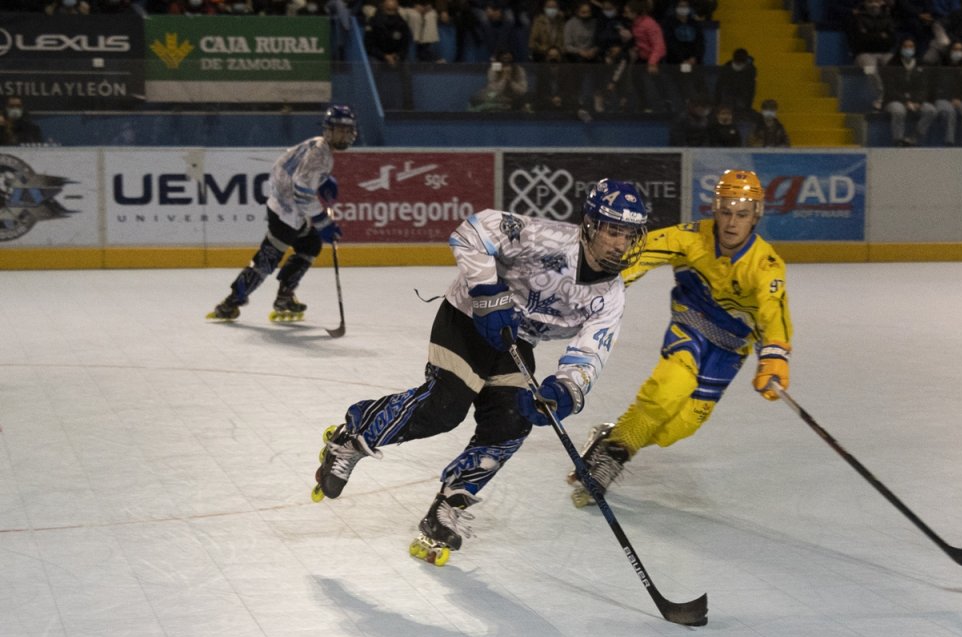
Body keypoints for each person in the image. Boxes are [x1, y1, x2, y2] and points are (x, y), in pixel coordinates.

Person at [311, 180, 650, 566]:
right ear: (590, 224)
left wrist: (563, 390)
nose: (620, 244)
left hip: (515, 341)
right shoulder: (549, 239)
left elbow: (591, 353)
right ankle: (352, 436)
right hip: (468, 317)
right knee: (445, 407)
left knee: (512, 421)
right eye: (612, 230)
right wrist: (488, 291)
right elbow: (475, 229)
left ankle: (447, 506)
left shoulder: (612, 295)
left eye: (628, 234)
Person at [565, 169, 793, 507]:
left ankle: (612, 436)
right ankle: (609, 460)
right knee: (668, 391)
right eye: (726, 212)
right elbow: (637, 256)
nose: (732, 223)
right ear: (715, 210)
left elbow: (773, 311)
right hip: (691, 327)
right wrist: (597, 289)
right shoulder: (690, 238)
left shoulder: (766, 265)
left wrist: (774, 355)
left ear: (755, 215)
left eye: (742, 215)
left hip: (730, 351)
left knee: (679, 428)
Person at [206, 105, 355, 322]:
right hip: (286, 215)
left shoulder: (316, 145)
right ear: (328, 130)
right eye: (340, 130)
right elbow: (303, 190)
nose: (345, 135)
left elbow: (283, 167)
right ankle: (231, 302)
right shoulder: (320, 156)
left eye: (347, 130)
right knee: (267, 261)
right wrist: (323, 221)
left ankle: (284, 296)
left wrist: (321, 181)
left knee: (310, 244)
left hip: (287, 209)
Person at [881, 37, 937, 146]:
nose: (908, 49)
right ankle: (898, 140)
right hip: (894, 100)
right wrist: (905, 101)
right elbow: (890, 88)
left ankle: (914, 137)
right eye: (905, 46)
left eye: (911, 46)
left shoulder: (920, 64)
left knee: (931, 110)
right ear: (900, 48)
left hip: (915, 101)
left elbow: (923, 87)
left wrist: (917, 102)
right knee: (899, 111)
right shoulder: (892, 64)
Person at [933, 41, 962, 145]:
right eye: (955, 49)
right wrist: (950, 98)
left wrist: (960, 99)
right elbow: (938, 87)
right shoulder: (941, 66)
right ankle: (949, 141)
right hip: (943, 99)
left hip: (961, 100)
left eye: (960, 50)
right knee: (951, 112)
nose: (957, 52)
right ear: (950, 51)